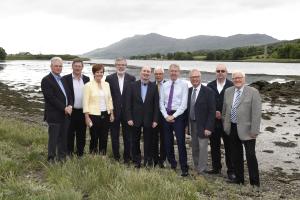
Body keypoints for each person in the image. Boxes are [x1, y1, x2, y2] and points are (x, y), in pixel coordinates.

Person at [222, 71, 262, 187]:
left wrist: (254, 130)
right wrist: (226, 125)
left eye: (239, 78)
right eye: (235, 78)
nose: (237, 80)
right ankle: (239, 179)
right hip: (233, 128)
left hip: (248, 130)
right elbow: (225, 111)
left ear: (244, 79)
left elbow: (256, 113)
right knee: (236, 155)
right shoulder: (228, 91)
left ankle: (254, 182)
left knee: (250, 155)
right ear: (232, 79)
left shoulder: (253, 92)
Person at [125, 66, 159, 168]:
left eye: (148, 71)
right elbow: (128, 103)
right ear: (141, 72)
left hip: (149, 119)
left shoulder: (154, 87)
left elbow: (156, 105)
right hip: (135, 119)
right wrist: (129, 118)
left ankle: (148, 160)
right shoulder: (132, 85)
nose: (146, 73)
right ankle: (137, 160)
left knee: (148, 141)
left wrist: (155, 120)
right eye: (144, 71)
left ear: (150, 74)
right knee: (135, 140)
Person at [41, 57, 73, 162]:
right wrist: (64, 108)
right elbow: (50, 98)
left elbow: (69, 95)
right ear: (51, 66)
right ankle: (51, 159)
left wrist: (70, 106)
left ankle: (62, 158)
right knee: (53, 139)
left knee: (63, 138)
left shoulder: (63, 79)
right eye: (56, 66)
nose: (58, 68)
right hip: (54, 115)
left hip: (66, 114)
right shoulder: (46, 80)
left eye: (60, 66)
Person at [159, 64, 189, 176]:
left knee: (181, 142)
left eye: (176, 71)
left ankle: (184, 167)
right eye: (172, 71)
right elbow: (161, 103)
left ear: (179, 72)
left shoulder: (184, 85)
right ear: (169, 72)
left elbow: (184, 104)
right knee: (167, 141)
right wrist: (166, 116)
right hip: (166, 115)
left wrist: (174, 116)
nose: (174, 73)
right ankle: (172, 163)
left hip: (179, 115)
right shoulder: (164, 85)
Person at [207, 64, 235, 179]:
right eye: (218, 71)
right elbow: (207, 103)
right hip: (213, 121)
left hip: (227, 122)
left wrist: (223, 114)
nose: (220, 73)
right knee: (214, 146)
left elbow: (235, 104)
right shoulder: (210, 85)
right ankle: (216, 167)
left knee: (229, 147)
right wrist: (213, 112)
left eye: (222, 71)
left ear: (226, 73)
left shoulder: (232, 85)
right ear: (215, 73)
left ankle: (231, 171)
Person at [105, 58, 136, 163]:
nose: (121, 66)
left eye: (123, 64)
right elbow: (107, 96)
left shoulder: (132, 78)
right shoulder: (109, 78)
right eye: (118, 64)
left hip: (127, 113)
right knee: (114, 136)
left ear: (126, 66)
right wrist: (110, 111)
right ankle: (116, 157)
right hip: (114, 113)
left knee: (128, 137)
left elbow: (133, 97)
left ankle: (127, 158)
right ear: (115, 66)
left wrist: (132, 114)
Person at [187, 69, 215, 174]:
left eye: (196, 77)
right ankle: (196, 166)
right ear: (190, 79)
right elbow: (187, 109)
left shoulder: (208, 91)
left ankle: (202, 169)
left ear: (200, 77)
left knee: (203, 147)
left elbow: (212, 111)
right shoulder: (189, 91)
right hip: (192, 123)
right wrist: (187, 125)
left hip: (203, 125)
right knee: (194, 146)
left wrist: (209, 127)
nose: (195, 79)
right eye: (192, 77)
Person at [83, 64, 114, 155]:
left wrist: (111, 113)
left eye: (101, 72)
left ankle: (102, 155)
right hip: (93, 115)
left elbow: (109, 99)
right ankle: (92, 155)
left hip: (106, 114)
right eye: (97, 72)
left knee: (104, 137)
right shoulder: (88, 85)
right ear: (94, 73)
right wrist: (87, 117)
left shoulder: (106, 84)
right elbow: (85, 102)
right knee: (94, 136)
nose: (99, 74)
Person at [62, 59, 90, 157]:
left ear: (82, 67)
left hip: (83, 111)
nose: (78, 68)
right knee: (69, 133)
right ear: (72, 67)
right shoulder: (65, 79)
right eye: (76, 66)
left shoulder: (87, 79)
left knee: (81, 134)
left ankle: (80, 154)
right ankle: (69, 153)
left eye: (79, 66)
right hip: (71, 111)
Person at [152, 66, 167, 168]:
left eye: (160, 74)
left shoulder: (168, 85)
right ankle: (154, 159)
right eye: (156, 74)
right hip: (153, 117)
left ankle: (162, 159)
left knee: (164, 139)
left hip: (165, 116)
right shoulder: (151, 85)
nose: (158, 76)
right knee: (153, 138)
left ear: (163, 74)